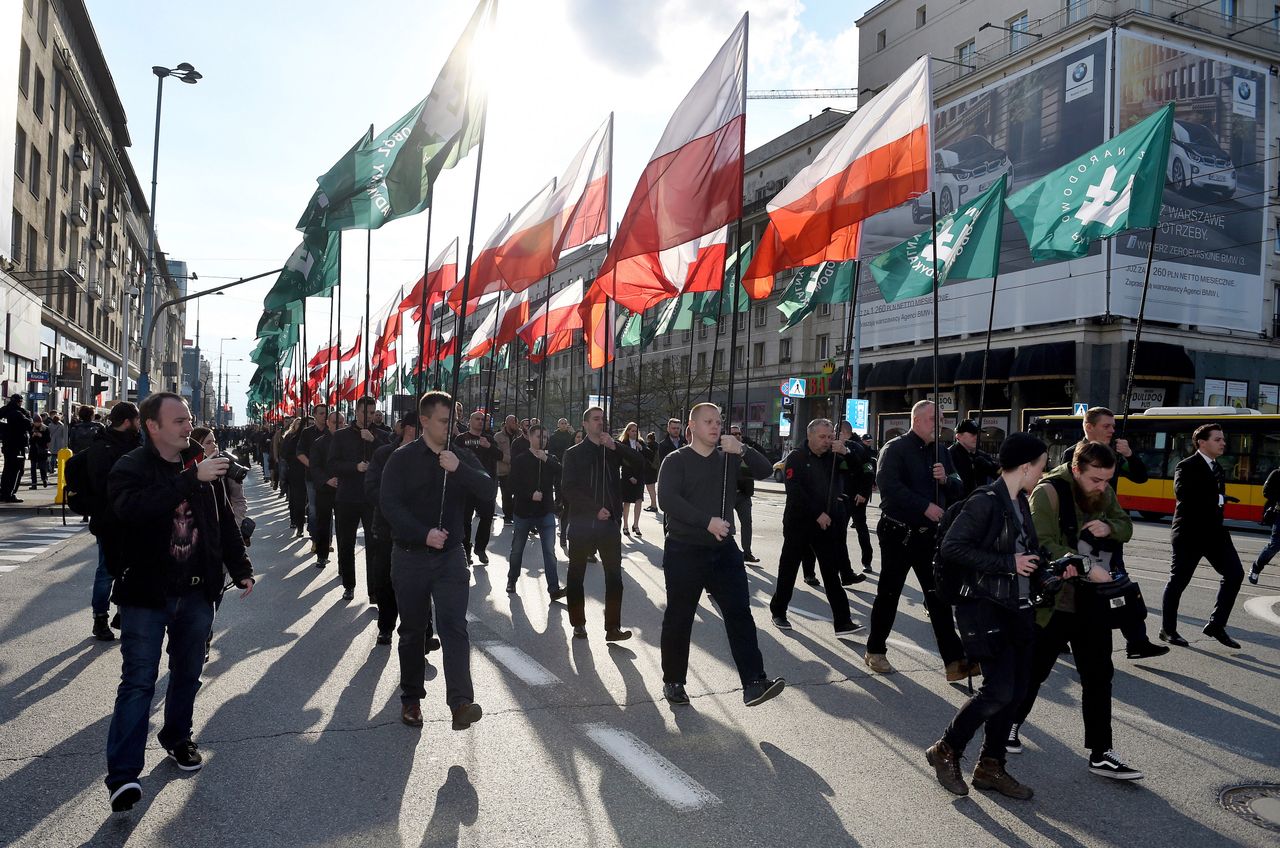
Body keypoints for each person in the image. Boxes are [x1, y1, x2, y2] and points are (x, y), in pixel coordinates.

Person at [103, 393, 255, 813]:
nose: (188, 426)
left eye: (189, 419)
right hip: (147, 595)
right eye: (178, 420)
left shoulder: (200, 468)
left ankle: (177, 738)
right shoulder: (131, 467)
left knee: (188, 673)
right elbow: (134, 510)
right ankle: (123, 777)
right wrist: (192, 479)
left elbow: (223, 522)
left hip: (196, 591)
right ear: (152, 426)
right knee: (138, 681)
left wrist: (240, 566)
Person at [1009, 440, 1143, 781]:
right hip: (1054, 604)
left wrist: (1110, 527)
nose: (1103, 487)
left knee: (1099, 676)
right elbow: (1042, 543)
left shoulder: (1103, 490)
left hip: (1092, 602)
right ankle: (1008, 726)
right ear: (1076, 469)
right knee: (1033, 671)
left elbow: (1125, 525)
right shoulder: (1048, 492)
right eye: (1096, 480)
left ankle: (1101, 752)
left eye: (1107, 480)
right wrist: (1083, 564)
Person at [925, 433, 1048, 799]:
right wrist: (1008, 564)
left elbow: (1028, 551)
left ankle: (990, 767)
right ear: (1026, 467)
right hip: (985, 609)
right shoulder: (986, 501)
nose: (1041, 474)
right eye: (1040, 466)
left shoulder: (1020, 501)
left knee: (1016, 693)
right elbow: (953, 548)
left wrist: (1050, 571)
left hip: (1018, 608)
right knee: (997, 692)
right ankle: (945, 750)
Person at [380, 391, 493, 730]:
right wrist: (421, 533)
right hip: (410, 557)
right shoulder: (401, 459)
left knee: (454, 628)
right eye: (444, 421)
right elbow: (390, 506)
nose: (450, 427)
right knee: (413, 631)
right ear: (425, 421)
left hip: (450, 560)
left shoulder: (459, 456)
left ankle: (460, 703)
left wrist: (460, 470)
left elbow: (488, 491)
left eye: (453, 421)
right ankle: (411, 699)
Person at [659, 403, 785, 707]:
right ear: (692, 426)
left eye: (719, 421)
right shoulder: (676, 460)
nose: (716, 427)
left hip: (723, 550)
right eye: (708, 422)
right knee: (680, 617)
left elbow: (767, 471)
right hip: (684, 548)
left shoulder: (728, 457)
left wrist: (742, 449)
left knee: (739, 613)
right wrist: (707, 521)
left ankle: (754, 682)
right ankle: (674, 680)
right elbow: (667, 500)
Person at [864, 400, 972, 680]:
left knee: (938, 597)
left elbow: (960, 484)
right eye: (934, 419)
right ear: (917, 420)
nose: (939, 424)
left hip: (929, 537)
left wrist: (946, 479)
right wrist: (923, 506)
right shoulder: (895, 448)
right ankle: (875, 650)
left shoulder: (941, 452)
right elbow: (889, 487)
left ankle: (955, 662)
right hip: (898, 533)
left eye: (941, 419)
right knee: (889, 593)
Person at [1066, 407, 1167, 659]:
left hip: (1110, 530)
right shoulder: (1073, 454)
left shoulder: (1115, 454)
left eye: (1113, 425)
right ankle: (1059, 635)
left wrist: (1130, 455)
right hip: (1084, 534)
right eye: (1106, 426)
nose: (1112, 430)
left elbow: (1141, 477)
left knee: (1120, 584)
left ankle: (1137, 641)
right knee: (1074, 586)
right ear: (1089, 427)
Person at [769, 419, 863, 637]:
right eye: (822, 437)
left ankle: (843, 622)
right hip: (799, 522)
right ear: (810, 436)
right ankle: (779, 611)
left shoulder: (835, 457)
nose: (827, 441)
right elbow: (795, 491)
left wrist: (847, 453)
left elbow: (860, 474)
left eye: (830, 437)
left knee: (831, 572)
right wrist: (816, 513)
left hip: (827, 523)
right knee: (789, 569)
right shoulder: (796, 457)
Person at [560, 406, 644, 640]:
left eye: (603, 419)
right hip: (583, 523)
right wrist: (595, 509)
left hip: (609, 525)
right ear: (585, 424)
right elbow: (568, 489)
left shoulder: (612, 450)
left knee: (615, 577)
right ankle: (578, 622)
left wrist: (616, 446)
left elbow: (640, 463)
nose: (601, 423)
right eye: (596, 419)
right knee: (576, 575)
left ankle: (613, 628)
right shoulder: (574, 453)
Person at [1160, 423, 1246, 649]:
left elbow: (1210, 495)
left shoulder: (1217, 467)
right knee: (1178, 581)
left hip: (1215, 533)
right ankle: (1168, 630)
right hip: (1189, 533)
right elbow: (1183, 494)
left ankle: (1216, 625)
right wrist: (1219, 498)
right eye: (1217, 439)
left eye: (1223, 439)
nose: (1223, 443)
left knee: (1235, 574)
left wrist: (1220, 499)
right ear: (1202, 442)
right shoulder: (1186, 466)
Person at [366, 412, 440, 651]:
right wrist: (396, 505)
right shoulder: (384, 454)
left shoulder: (433, 456)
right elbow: (372, 490)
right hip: (387, 530)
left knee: (421, 585)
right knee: (386, 582)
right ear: (411, 429)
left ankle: (425, 634)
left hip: (421, 533)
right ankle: (385, 627)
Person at [83, 403, 142, 642]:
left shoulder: (135, 444)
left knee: (128, 568)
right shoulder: (102, 447)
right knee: (107, 570)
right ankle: (100, 617)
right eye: (137, 421)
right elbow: (100, 485)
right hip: (109, 520)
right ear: (127, 422)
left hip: (132, 519)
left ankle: (122, 614)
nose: (140, 425)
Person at [330, 396, 388, 604]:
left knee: (374, 545)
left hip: (372, 498)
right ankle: (349, 585)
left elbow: (391, 457)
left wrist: (374, 441)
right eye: (366, 412)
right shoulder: (341, 436)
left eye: (373, 413)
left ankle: (374, 590)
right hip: (347, 496)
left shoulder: (381, 435)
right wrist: (355, 467)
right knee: (346, 543)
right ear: (357, 411)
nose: (369, 417)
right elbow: (333, 464)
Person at [506, 424, 567, 599]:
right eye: (539, 436)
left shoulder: (551, 458)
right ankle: (512, 579)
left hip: (545, 512)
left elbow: (561, 472)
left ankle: (554, 589)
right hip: (523, 512)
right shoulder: (520, 459)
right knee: (517, 549)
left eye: (546, 437)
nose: (543, 440)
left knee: (549, 552)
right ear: (531, 438)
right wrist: (529, 494)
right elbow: (512, 485)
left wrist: (546, 459)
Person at [454, 410, 501, 565]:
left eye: (483, 419)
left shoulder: (489, 438)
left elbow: (499, 455)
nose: (480, 422)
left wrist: (488, 446)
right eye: (477, 419)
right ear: (470, 422)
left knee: (487, 517)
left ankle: (480, 548)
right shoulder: (461, 439)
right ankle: (466, 550)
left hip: (485, 485)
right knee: (465, 520)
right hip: (467, 486)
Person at [838, 421, 876, 575]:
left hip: (856, 496)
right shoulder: (835, 447)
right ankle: (842, 565)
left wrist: (863, 493)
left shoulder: (858, 448)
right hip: (842, 496)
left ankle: (867, 561)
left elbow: (868, 471)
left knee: (861, 528)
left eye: (837, 431)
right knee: (840, 532)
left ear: (845, 432)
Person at [308, 412, 342, 579]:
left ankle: (344, 563)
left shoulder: (348, 441)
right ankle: (322, 555)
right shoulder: (319, 443)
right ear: (328, 423)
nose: (339, 425)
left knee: (343, 528)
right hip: (325, 489)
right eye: (335, 422)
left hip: (344, 490)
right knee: (323, 522)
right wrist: (327, 480)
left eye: (342, 422)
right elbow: (314, 467)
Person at [295, 404, 329, 550]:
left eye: (326, 413)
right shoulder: (307, 433)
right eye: (321, 413)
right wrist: (312, 465)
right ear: (314, 415)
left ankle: (326, 542)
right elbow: (299, 453)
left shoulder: (332, 431)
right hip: (312, 477)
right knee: (314, 509)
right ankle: (316, 539)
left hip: (329, 477)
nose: (324, 416)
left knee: (328, 510)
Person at [729, 424, 762, 564]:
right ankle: (728, 553)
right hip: (729, 494)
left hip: (744, 495)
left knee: (747, 523)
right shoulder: (724, 451)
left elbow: (761, 459)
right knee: (728, 527)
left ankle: (747, 553)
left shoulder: (746, 450)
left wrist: (749, 445)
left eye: (739, 434)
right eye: (734, 434)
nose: (737, 436)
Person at [949, 419, 1000, 498]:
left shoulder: (982, 456)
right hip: (958, 505)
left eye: (977, 433)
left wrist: (989, 466)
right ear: (958, 436)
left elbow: (1001, 475)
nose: (976, 437)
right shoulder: (949, 455)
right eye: (972, 434)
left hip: (980, 504)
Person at [0, 394, 33, 502]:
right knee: (17, 470)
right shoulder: (19, 413)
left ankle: (3, 492)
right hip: (18, 445)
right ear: (19, 402)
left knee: (7, 469)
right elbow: (29, 424)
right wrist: (28, 415)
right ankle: (10, 493)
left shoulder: (3, 411)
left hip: (7, 445)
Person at [1251, 466, 1280, 584]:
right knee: (1275, 545)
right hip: (1279, 514)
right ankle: (1256, 568)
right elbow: (1266, 491)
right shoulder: (1276, 474)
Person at [619, 422, 646, 538]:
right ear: (628, 431)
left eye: (636, 431)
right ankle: (625, 525)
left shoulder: (640, 443)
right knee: (627, 502)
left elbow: (648, 458)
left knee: (639, 500)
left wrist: (642, 449)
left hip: (639, 476)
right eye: (632, 431)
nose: (634, 433)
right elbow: (623, 461)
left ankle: (636, 525)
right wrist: (629, 476)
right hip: (627, 477)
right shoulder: (623, 443)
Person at [281, 418, 307, 534]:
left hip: (311, 473)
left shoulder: (312, 437)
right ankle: (296, 522)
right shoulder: (291, 438)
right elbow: (285, 454)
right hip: (296, 473)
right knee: (296, 499)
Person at [494, 414, 522, 523]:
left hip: (518, 470)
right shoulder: (498, 436)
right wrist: (509, 459)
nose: (516, 424)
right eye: (513, 422)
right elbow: (497, 453)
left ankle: (515, 513)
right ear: (507, 423)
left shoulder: (520, 435)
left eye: (517, 422)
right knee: (506, 494)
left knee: (518, 493)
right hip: (504, 470)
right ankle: (508, 515)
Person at [27, 418, 50, 488]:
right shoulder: (31, 428)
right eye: (35, 422)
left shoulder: (45, 428)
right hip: (33, 450)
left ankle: (44, 479)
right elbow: (30, 442)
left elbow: (48, 439)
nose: (37, 423)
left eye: (38, 422)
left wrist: (41, 436)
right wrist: (33, 436)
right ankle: (34, 484)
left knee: (42, 467)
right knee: (33, 468)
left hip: (42, 450)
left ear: (41, 422)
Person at [643, 431, 661, 512]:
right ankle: (653, 504)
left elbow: (647, 457)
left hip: (649, 470)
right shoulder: (657, 446)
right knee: (652, 489)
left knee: (651, 489)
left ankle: (654, 505)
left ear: (648, 439)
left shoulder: (649, 446)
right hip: (655, 469)